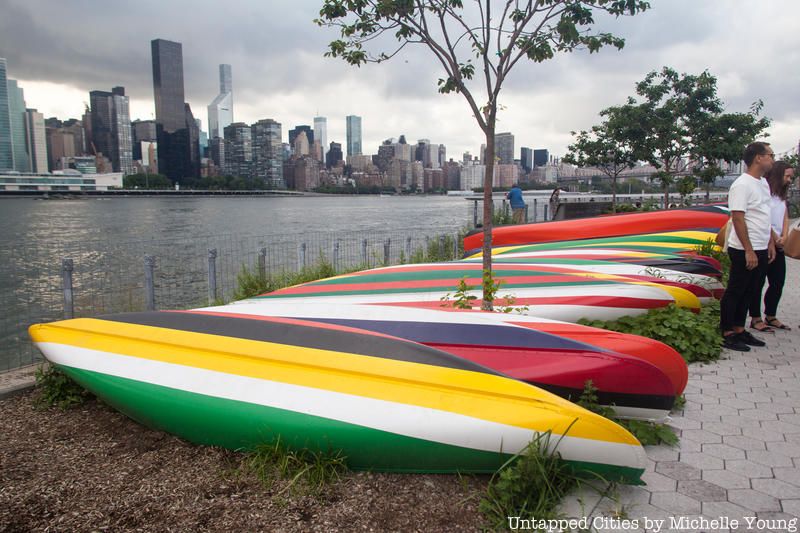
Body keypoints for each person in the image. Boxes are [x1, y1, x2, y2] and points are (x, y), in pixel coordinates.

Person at [719, 141, 776, 352]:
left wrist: (769, 242)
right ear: (758, 158)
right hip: (744, 248)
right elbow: (738, 218)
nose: (773, 159)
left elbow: (764, 215)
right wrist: (749, 250)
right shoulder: (741, 185)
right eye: (770, 155)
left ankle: (739, 328)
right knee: (736, 290)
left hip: (760, 245)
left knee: (751, 290)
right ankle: (727, 332)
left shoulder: (762, 183)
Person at [748, 161, 794, 332]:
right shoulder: (764, 192)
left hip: (779, 244)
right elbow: (763, 218)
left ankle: (771, 315)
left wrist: (785, 236)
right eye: (787, 176)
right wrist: (774, 238)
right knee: (758, 282)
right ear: (778, 175)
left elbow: (785, 216)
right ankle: (755, 318)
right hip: (764, 242)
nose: (789, 180)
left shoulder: (781, 195)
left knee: (778, 281)